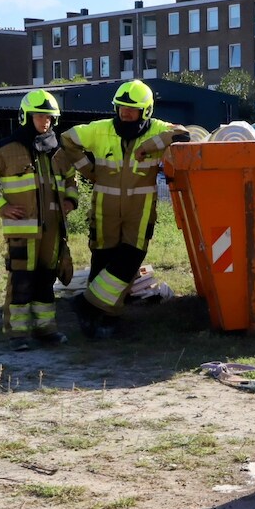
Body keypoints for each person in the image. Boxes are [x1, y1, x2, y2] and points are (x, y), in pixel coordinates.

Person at [56, 79, 189, 339]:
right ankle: (102, 318)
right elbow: (67, 139)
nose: (125, 113)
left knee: (130, 259)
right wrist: (87, 169)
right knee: (103, 260)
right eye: (121, 108)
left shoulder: (157, 129)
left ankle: (88, 305)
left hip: (139, 210)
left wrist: (151, 145)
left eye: (131, 109)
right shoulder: (101, 129)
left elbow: (184, 134)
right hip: (104, 208)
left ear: (146, 111)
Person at [0, 89, 76, 351]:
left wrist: (70, 200)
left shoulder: (58, 152)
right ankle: (17, 334)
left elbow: (71, 179)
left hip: (53, 229)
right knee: (21, 280)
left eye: (50, 118)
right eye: (41, 117)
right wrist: (1, 207)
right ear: (26, 117)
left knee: (45, 279)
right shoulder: (4, 149)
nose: (46, 123)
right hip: (22, 230)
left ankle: (46, 329)